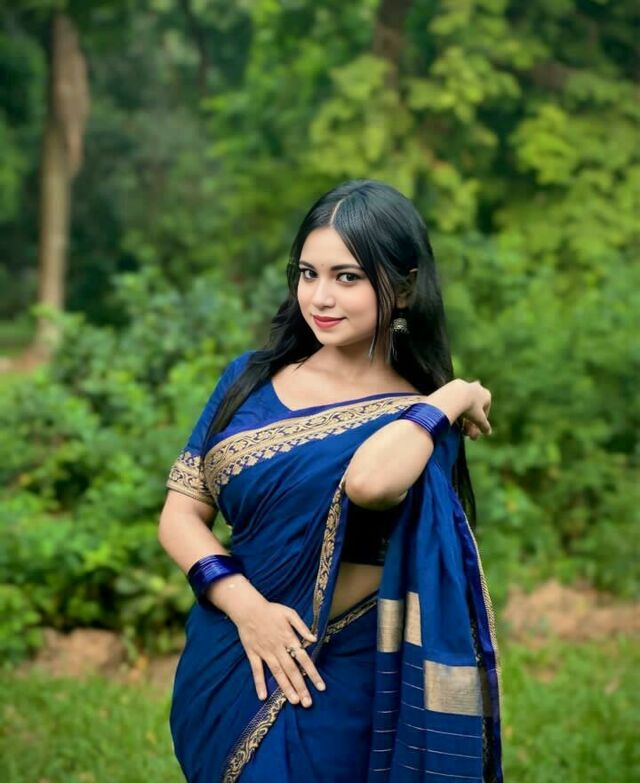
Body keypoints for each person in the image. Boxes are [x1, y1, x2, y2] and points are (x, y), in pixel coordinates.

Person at [159, 179, 503, 783]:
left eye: (347, 277)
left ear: (402, 289)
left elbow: (371, 484)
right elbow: (180, 515)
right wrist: (249, 611)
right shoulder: (247, 380)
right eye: (308, 273)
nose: (320, 297)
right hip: (232, 647)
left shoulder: (420, 419)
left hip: (339, 671)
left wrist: (450, 396)